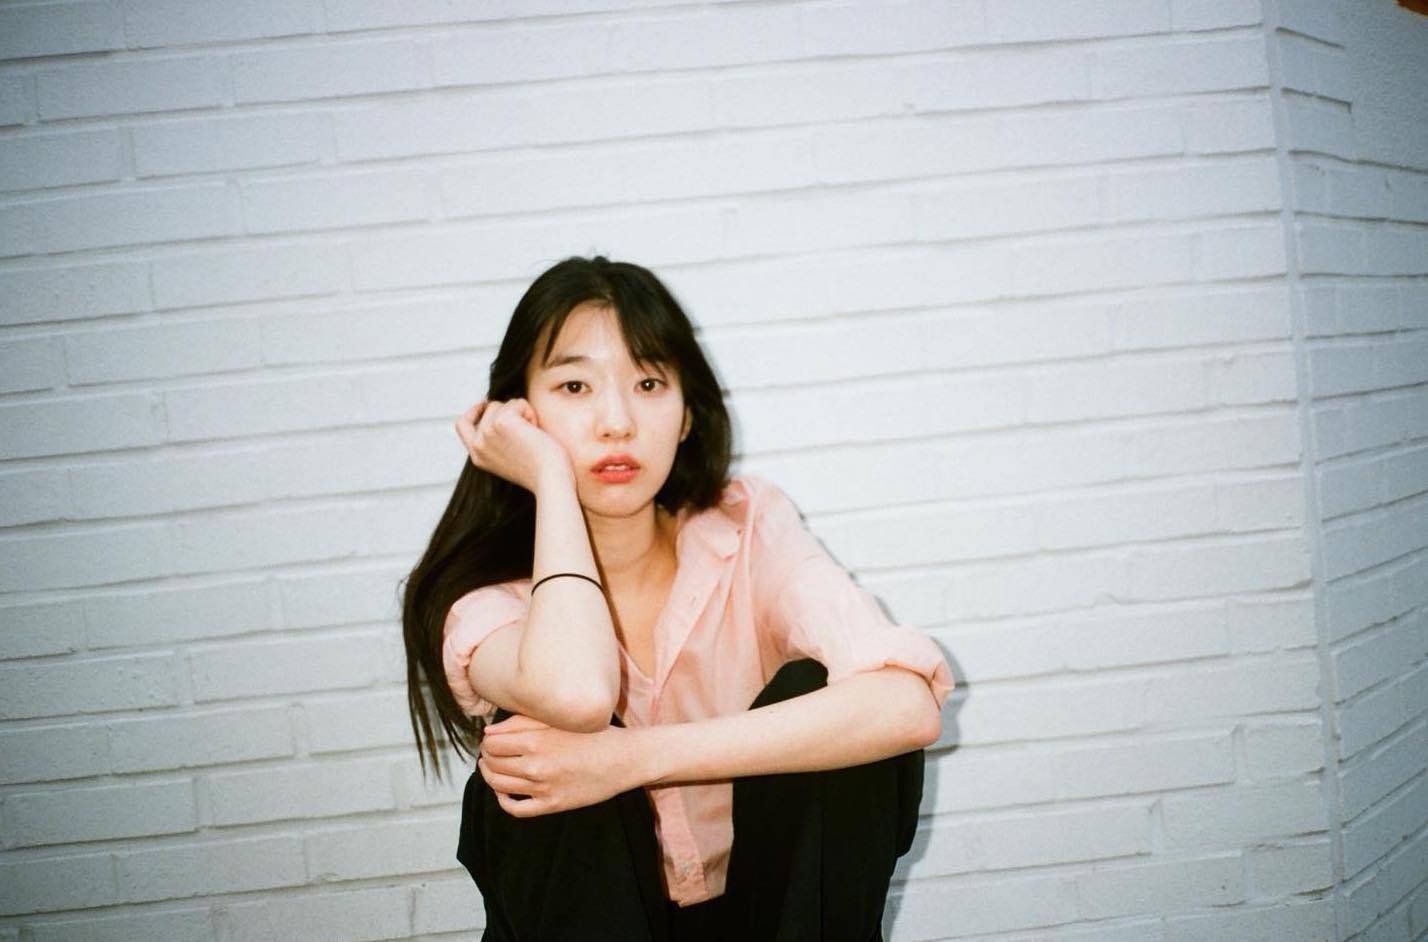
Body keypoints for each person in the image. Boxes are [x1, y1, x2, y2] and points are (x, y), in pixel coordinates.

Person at [400, 255, 955, 940]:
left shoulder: (747, 528)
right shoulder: (484, 593)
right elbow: (577, 694)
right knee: (553, 735)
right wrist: (548, 478)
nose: (616, 422)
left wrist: (630, 760)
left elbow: (905, 706)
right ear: (518, 417)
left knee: (823, 695)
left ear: (688, 413)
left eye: (649, 383)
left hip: (773, 921)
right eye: (574, 386)